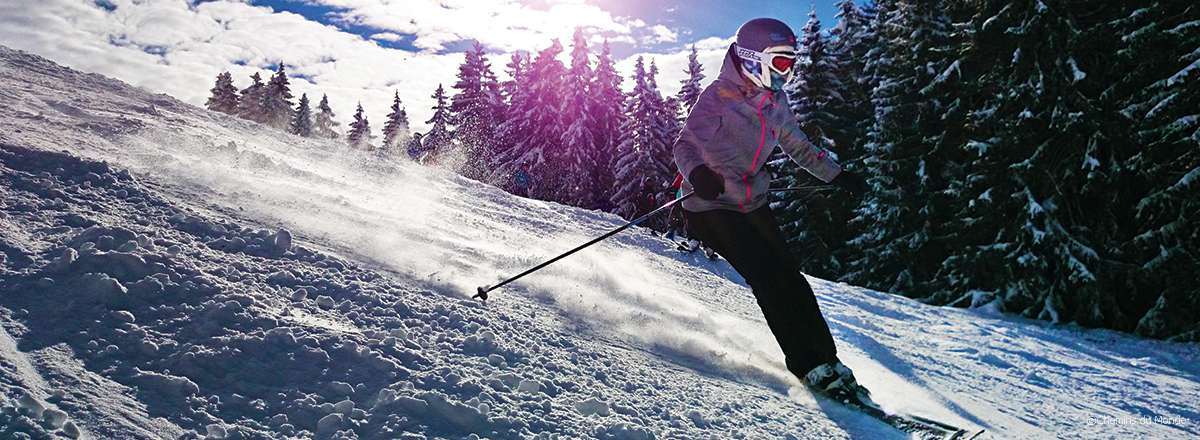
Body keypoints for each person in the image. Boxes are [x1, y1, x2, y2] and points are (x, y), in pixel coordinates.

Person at [672, 17, 871, 402]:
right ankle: (807, 364)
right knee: (768, 277)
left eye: (791, 64)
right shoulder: (717, 97)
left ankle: (829, 361)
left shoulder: (776, 101)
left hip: (751, 201)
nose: (788, 72)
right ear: (752, 59)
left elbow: (798, 147)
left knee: (791, 278)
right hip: (710, 205)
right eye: (780, 63)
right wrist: (698, 173)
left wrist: (837, 176)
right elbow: (685, 146)